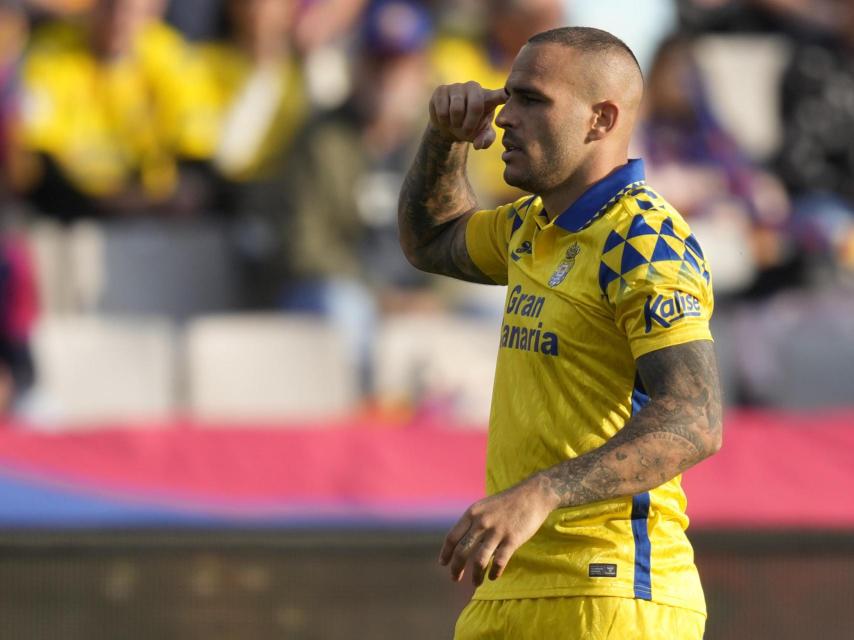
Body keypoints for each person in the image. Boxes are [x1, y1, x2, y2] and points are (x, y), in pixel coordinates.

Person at [398, 26, 722, 638]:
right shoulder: (530, 226)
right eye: (507, 96)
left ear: (601, 119)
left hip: (613, 592)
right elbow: (431, 240)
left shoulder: (644, 241)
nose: (505, 116)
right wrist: (445, 138)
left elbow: (694, 419)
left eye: (531, 100)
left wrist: (543, 492)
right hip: (511, 586)